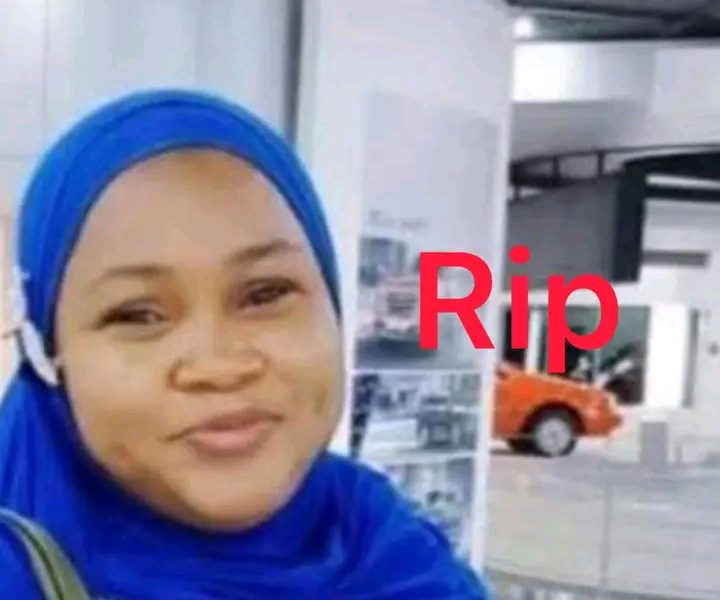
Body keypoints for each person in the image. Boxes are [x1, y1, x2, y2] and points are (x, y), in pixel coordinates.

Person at [0, 90, 488, 598]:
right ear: (49, 352)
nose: (219, 366)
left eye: (265, 293)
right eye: (137, 315)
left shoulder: (398, 556)